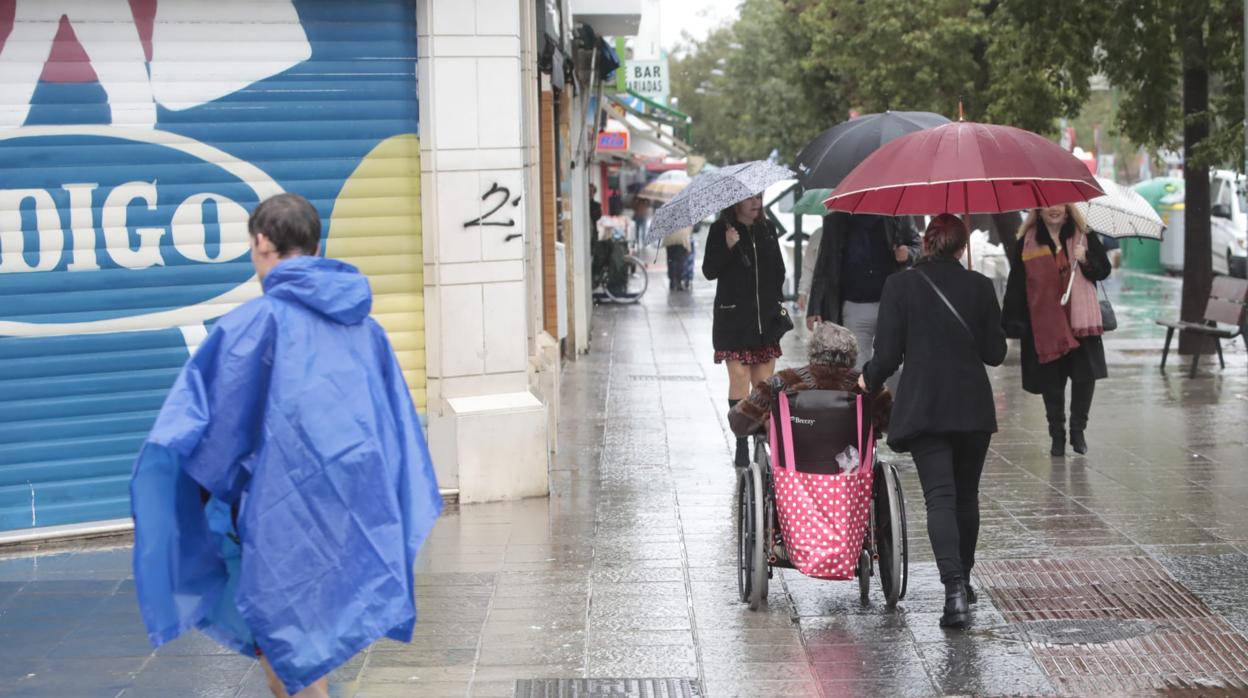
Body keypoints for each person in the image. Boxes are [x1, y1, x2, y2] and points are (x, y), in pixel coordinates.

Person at [130, 193, 443, 697]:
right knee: (300, 634)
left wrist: (194, 500)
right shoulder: (366, 328)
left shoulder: (254, 326)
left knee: (279, 635)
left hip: (283, 513)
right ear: (315, 245)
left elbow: (212, 429)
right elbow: (392, 425)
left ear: (261, 242)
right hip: (355, 506)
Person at [860, 214, 1007, 630]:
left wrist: (865, 380)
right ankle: (966, 578)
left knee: (940, 498)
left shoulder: (900, 286)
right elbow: (994, 353)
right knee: (966, 498)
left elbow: (887, 357)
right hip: (972, 408)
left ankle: (954, 593)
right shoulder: (979, 286)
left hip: (925, 406)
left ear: (926, 243)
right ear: (962, 247)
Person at [1002, 204, 1110, 457]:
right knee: (1052, 383)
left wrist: (1086, 259)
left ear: (1068, 208)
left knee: (1085, 378)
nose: (1054, 209)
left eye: (1060, 204)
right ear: (1038, 211)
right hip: (1045, 324)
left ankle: (1077, 430)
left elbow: (1103, 270)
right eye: (1048, 205)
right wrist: (1011, 323)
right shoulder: (1026, 242)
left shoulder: (1084, 235)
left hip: (1080, 323)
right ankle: (1057, 435)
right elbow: (1016, 284)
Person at [703, 194, 787, 467]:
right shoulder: (721, 229)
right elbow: (709, 270)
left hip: (766, 320)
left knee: (763, 387)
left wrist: (776, 302)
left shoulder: (768, 228)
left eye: (760, 197)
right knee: (739, 378)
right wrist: (727, 248)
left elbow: (778, 269)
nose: (757, 203)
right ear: (735, 202)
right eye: (750, 198)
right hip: (734, 320)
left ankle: (759, 439)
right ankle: (741, 440)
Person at [728, 322, 890, 437]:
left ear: (812, 350)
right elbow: (891, 423)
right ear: (853, 354)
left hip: (793, 469)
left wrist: (766, 424)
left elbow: (738, 422)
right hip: (851, 470)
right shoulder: (867, 385)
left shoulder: (783, 381)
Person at [806, 213, 921, 370]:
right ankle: (864, 393)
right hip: (854, 305)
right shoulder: (836, 217)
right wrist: (815, 306)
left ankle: (874, 390)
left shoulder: (897, 212)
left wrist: (908, 253)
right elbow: (824, 263)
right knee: (857, 369)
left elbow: (917, 245)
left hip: (889, 304)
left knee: (888, 363)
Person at [662, 225, 693, 291]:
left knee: (670, 261)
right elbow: (687, 233)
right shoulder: (685, 218)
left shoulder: (668, 217)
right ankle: (678, 283)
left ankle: (672, 282)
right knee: (680, 262)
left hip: (669, 240)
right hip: (681, 240)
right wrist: (689, 248)